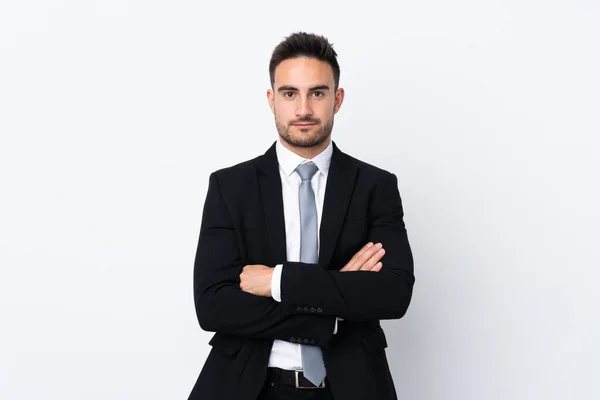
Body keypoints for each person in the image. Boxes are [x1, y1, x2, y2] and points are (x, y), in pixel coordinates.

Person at [188, 32, 414, 400]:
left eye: (318, 93)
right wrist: (335, 303)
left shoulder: (376, 186)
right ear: (271, 100)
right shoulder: (231, 186)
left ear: (337, 99)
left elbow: (393, 294)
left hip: (350, 387)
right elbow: (213, 305)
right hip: (250, 386)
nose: (304, 109)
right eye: (289, 93)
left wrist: (278, 282)